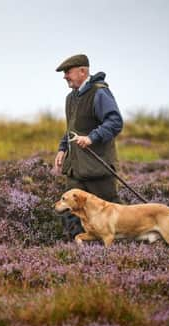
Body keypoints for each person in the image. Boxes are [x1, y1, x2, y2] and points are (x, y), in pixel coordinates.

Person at [52, 54, 124, 239]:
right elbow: (72, 129)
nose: (65, 76)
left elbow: (115, 122)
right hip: (76, 168)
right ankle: (77, 254)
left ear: (83, 71)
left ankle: (117, 256)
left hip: (98, 167)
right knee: (70, 212)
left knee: (110, 213)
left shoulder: (100, 92)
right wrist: (62, 148)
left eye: (68, 72)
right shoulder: (71, 98)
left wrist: (92, 138)